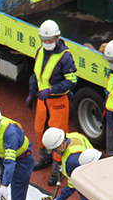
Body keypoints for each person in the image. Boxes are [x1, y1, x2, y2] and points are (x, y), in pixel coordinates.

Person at [27, 20, 76, 185]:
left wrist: (53, 90)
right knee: (39, 129)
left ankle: (57, 169)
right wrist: (31, 93)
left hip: (58, 101)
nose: (47, 43)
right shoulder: (40, 51)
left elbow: (71, 81)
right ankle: (45, 157)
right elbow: (36, 75)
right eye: (44, 40)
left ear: (57, 37)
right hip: (43, 99)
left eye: (50, 40)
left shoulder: (65, 57)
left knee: (58, 135)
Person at [43, 128, 103, 200]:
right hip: (93, 173)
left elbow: (72, 186)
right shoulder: (74, 136)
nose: (55, 152)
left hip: (88, 186)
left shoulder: (72, 161)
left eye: (55, 150)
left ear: (61, 145)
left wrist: (59, 199)